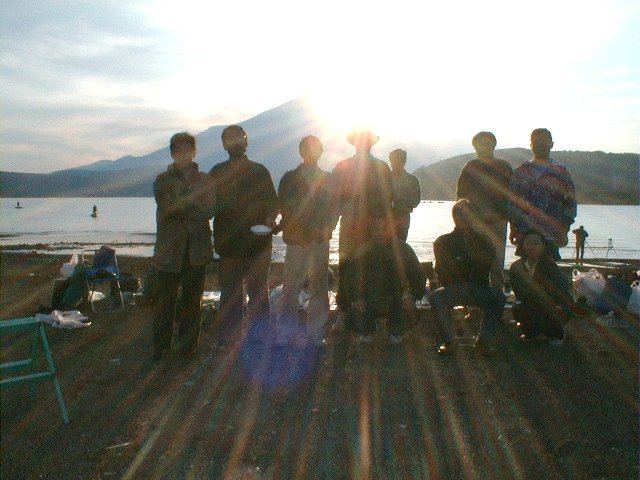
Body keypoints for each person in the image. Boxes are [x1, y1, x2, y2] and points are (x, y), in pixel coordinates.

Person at [209, 125, 278, 345]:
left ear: (246, 142)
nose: (236, 142)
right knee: (230, 293)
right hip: (228, 244)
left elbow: (273, 203)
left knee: (258, 293)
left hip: (258, 244)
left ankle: (260, 340)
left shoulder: (259, 171)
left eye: (240, 138)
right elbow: (208, 206)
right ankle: (230, 340)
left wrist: (270, 219)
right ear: (224, 145)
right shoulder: (217, 172)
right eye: (230, 139)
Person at [329, 130, 399, 343]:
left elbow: (388, 198)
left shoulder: (382, 168)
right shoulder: (342, 167)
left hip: (373, 225)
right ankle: (344, 312)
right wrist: (331, 224)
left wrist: (385, 226)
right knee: (346, 266)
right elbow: (334, 198)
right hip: (350, 224)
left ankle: (373, 315)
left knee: (373, 267)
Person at [152, 132, 214, 361]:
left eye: (187, 150)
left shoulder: (205, 180)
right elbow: (167, 207)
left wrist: (183, 204)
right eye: (178, 150)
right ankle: (161, 348)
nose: (183, 154)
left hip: (196, 250)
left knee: (192, 302)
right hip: (169, 251)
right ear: (172, 153)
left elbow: (209, 209)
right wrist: (192, 203)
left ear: (194, 152)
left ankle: (188, 348)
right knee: (164, 302)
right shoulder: (162, 180)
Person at [276, 135, 333, 346]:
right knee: (290, 287)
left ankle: (316, 332)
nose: (311, 152)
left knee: (319, 286)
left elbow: (334, 208)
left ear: (321, 152)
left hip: (319, 240)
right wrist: (296, 231)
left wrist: (326, 229)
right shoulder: (289, 178)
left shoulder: (329, 179)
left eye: (316, 148)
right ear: (301, 152)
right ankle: (285, 332)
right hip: (296, 240)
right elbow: (284, 206)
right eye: (307, 149)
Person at [429, 199, 506, 355]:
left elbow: (485, 266)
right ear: (454, 217)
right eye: (459, 214)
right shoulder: (442, 241)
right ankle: (450, 341)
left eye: (467, 214)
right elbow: (442, 270)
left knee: (499, 297)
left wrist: (461, 261)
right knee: (436, 297)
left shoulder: (484, 240)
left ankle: (483, 342)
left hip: (478, 287)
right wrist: (468, 263)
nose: (463, 217)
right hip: (454, 287)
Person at [508, 128, 577, 260]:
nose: (539, 145)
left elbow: (570, 202)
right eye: (536, 142)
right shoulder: (521, 171)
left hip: (551, 234)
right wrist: (513, 228)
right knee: (525, 269)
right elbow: (512, 202)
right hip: (525, 234)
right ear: (530, 145)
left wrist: (565, 229)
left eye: (543, 142)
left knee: (548, 270)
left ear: (551, 144)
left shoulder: (561, 172)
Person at [456, 131, 513, 291]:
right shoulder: (470, 167)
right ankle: (476, 301)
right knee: (475, 264)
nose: (484, 147)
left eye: (488, 143)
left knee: (497, 266)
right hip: (475, 224)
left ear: (494, 145)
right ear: (475, 146)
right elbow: (460, 196)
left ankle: (497, 299)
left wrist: (512, 222)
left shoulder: (504, 167)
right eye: (480, 144)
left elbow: (512, 195)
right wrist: (462, 221)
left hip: (498, 223)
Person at [509, 230, 573, 345]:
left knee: (554, 316)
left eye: (536, 243)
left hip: (553, 304)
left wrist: (558, 305)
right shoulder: (515, 267)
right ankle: (532, 332)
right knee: (519, 309)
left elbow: (562, 290)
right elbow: (519, 292)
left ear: (543, 247)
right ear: (522, 246)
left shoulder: (550, 266)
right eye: (528, 243)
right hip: (530, 303)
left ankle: (557, 332)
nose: (532, 247)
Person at [389, 148, 421, 241]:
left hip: (403, 217)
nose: (394, 164)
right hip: (385, 217)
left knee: (401, 244)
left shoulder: (412, 180)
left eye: (397, 161)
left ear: (403, 162)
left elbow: (416, 200)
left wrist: (399, 202)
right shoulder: (384, 178)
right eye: (392, 162)